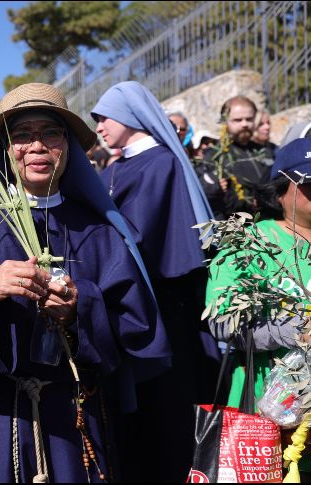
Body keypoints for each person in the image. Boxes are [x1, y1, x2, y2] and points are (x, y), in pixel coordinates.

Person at [0, 83, 170, 482]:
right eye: (22, 135)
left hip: (75, 422)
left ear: (67, 147)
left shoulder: (98, 233)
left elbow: (136, 332)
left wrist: (79, 310)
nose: (37, 146)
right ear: (6, 149)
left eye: (51, 133)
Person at [91, 80, 221, 482]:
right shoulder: (118, 165)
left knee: (165, 407)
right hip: (128, 298)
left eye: (104, 117)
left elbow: (147, 232)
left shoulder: (161, 162)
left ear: (130, 115)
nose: (98, 127)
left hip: (163, 300)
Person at [206, 138, 311, 475]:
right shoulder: (251, 244)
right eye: (310, 183)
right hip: (270, 415)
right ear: (281, 190)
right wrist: (297, 330)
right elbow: (223, 320)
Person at [200, 95, 275, 219]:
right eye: (237, 120)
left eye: (249, 119)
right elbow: (215, 200)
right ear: (224, 121)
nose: (245, 124)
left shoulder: (266, 151)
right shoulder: (214, 156)